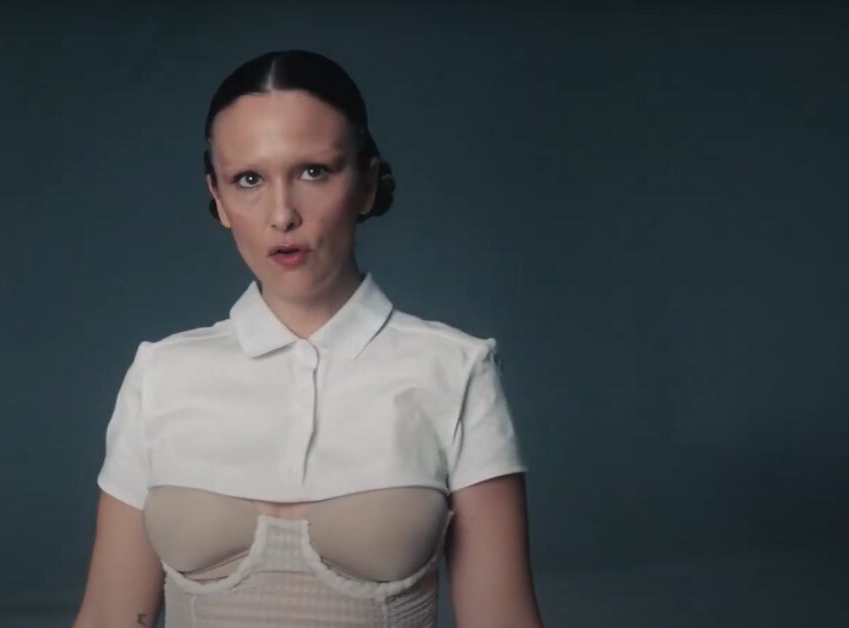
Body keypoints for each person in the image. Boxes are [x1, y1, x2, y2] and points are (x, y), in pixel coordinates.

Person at [72, 50, 544, 628]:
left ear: (366, 183)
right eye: (249, 179)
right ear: (218, 198)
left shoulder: (456, 371)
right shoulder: (160, 375)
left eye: (313, 172)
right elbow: (109, 617)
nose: (282, 215)